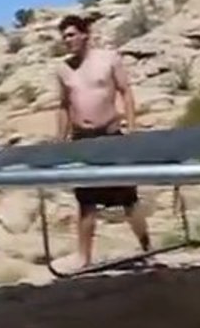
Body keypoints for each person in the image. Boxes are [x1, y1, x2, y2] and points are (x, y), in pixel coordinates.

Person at [53, 14, 151, 269]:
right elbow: (64, 105)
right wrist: (59, 141)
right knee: (86, 202)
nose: (67, 40)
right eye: (64, 36)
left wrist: (132, 128)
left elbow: (125, 92)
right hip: (81, 140)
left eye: (71, 35)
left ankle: (147, 247)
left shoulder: (108, 59)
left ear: (85, 34)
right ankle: (84, 258)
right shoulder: (63, 69)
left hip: (110, 137)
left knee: (128, 199)